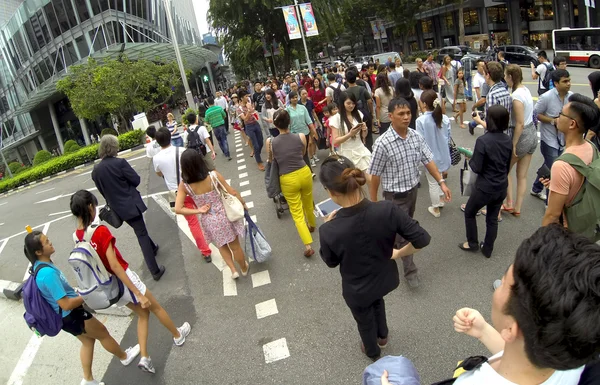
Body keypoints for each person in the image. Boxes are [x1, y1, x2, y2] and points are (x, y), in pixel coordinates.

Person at [452, 225, 600, 384]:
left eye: (503, 283)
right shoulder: (574, 357)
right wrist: (483, 331)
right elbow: (522, 355)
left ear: (511, 328)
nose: (500, 284)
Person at [318, 155, 431, 360]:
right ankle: (383, 336)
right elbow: (422, 238)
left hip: (357, 289)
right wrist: (398, 253)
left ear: (331, 193)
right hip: (384, 278)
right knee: (378, 300)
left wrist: (327, 226)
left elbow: (331, 262)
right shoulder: (387, 209)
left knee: (364, 319)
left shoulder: (329, 230)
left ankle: (372, 351)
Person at [70, 190, 192, 374]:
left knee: (142, 315)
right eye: (94, 206)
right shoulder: (100, 231)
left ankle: (145, 357)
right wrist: (137, 293)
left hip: (110, 286)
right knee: (155, 306)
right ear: (89, 207)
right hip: (124, 278)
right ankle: (177, 335)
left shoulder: (77, 236)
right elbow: (115, 265)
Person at [23, 231, 141, 385]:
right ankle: (125, 357)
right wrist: (86, 296)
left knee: (88, 342)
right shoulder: (47, 274)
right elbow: (65, 304)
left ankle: (88, 380)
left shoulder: (40, 267)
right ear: (38, 252)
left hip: (66, 318)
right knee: (103, 334)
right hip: (72, 315)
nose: (50, 242)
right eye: (46, 242)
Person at [369, 98, 451, 288]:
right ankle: (410, 271)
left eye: (408, 113)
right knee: (406, 234)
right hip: (393, 199)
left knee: (398, 231)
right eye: (401, 114)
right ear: (390, 117)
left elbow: (428, 160)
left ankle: (389, 244)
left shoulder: (415, 136)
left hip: (412, 192)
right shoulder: (383, 143)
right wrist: (373, 202)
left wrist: (441, 182)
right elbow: (375, 175)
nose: (406, 117)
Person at [92, 135, 164, 280]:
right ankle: (155, 270)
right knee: (141, 234)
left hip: (116, 209)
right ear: (113, 147)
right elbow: (136, 180)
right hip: (131, 205)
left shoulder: (96, 170)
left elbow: (102, 190)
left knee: (139, 230)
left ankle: (153, 248)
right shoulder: (120, 163)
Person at [175, 149, 249, 279]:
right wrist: (243, 203)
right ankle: (243, 268)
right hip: (225, 216)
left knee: (222, 246)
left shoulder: (185, 186)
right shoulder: (213, 176)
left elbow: (178, 209)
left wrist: (199, 210)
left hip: (209, 220)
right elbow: (232, 192)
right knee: (235, 246)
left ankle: (233, 270)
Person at [460, 105, 513, 258]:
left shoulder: (483, 141)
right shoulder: (508, 139)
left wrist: (470, 157)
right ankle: (487, 248)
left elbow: (476, 167)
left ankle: (472, 243)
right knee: (492, 218)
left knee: (470, 212)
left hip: (485, 187)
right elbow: (507, 164)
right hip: (501, 186)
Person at [541, 94, 600, 232]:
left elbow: (552, 215)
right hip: (586, 226)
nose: (558, 116)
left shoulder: (561, 165)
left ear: (572, 124)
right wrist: (556, 184)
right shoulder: (591, 146)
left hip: (569, 231)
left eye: (561, 113)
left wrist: (538, 245)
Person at [152, 128, 212, 262]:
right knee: (207, 212)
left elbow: (159, 173)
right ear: (170, 137)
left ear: (157, 141)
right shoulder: (181, 151)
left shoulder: (156, 158)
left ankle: (205, 251)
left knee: (193, 222)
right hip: (192, 186)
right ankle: (217, 236)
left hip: (177, 193)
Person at [266, 110, 316, 258]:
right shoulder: (300, 136)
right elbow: (303, 153)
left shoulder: (271, 142)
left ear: (275, 124)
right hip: (304, 172)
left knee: (297, 211)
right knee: (308, 201)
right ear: (290, 122)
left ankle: (308, 244)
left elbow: (270, 159)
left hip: (287, 178)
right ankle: (312, 225)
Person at [530, 69, 572, 201]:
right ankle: (549, 202)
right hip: (549, 139)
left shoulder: (571, 96)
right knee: (554, 170)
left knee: (549, 165)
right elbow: (536, 114)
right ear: (556, 83)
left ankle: (536, 188)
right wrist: (553, 120)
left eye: (569, 80)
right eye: (565, 81)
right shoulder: (546, 97)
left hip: (562, 139)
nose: (568, 84)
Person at [503, 64, 537, 217]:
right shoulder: (525, 90)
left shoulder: (516, 96)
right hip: (532, 133)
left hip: (522, 135)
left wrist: (514, 143)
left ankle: (508, 203)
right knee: (522, 175)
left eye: (506, 76)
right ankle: (517, 207)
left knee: (504, 170)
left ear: (510, 77)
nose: (505, 79)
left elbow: (520, 123)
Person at [416, 90, 451, 218]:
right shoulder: (445, 118)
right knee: (440, 177)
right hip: (443, 154)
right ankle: (441, 200)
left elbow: (420, 141)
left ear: (424, 104)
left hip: (429, 157)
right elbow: (448, 136)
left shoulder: (421, 120)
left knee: (433, 182)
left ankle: (435, 207)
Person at [329, 91, 372, 176]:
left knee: (370, 178)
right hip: (346, 153)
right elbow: (335, 141)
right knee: (353, 184)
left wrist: (364, 129)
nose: (351, 105)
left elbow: (363, 136)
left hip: (361, 150)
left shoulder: (358, 114)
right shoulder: (336, 119)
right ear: (342, 103)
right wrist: (350, 134)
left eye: (353, 103)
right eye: (348, 103)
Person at [347, 70, 375, 151]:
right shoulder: (362, 89)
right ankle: (369, 151)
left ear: (347, 80)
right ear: (356, 78)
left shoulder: (345, 92)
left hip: (353, 117)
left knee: (356, 135)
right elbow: (370, 101)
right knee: (368, 133)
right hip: (365, 114)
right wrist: (371, 113)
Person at [237, 89, 265, 171]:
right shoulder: (239, 108)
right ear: (242, 98)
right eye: (245, 96)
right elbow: (245, 119)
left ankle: (257, 154)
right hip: (249, 126)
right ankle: (259, 162)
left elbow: (254, 113)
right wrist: (249, 111)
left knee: (261, 142)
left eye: (247, 96)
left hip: (256, 124)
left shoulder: (249, 103)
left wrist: (252, 109)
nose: (247, 97)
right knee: (255, 145)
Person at [205, 96, 231, 161]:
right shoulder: (219, 108)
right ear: (214, 101)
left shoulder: (207, 112)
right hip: (221, 125)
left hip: (214, 127)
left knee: (219, 140)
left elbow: (206, 121)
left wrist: (211, 122)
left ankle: (224, 151)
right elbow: (224, 115)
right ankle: (227, 153)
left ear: (208, 103)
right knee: (224, 139)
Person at [300, 87, 321, 167]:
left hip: (311, 123)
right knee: (309, 143)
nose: (305, 95)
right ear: (300, 95)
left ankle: (314, 154)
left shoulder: (310, 102)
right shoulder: (298, 104)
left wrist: (318, 122)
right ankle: (311, 158)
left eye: (306, 93)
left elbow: (313, 112)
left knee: (314, 140)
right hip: (304, 125)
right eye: (303, 94)